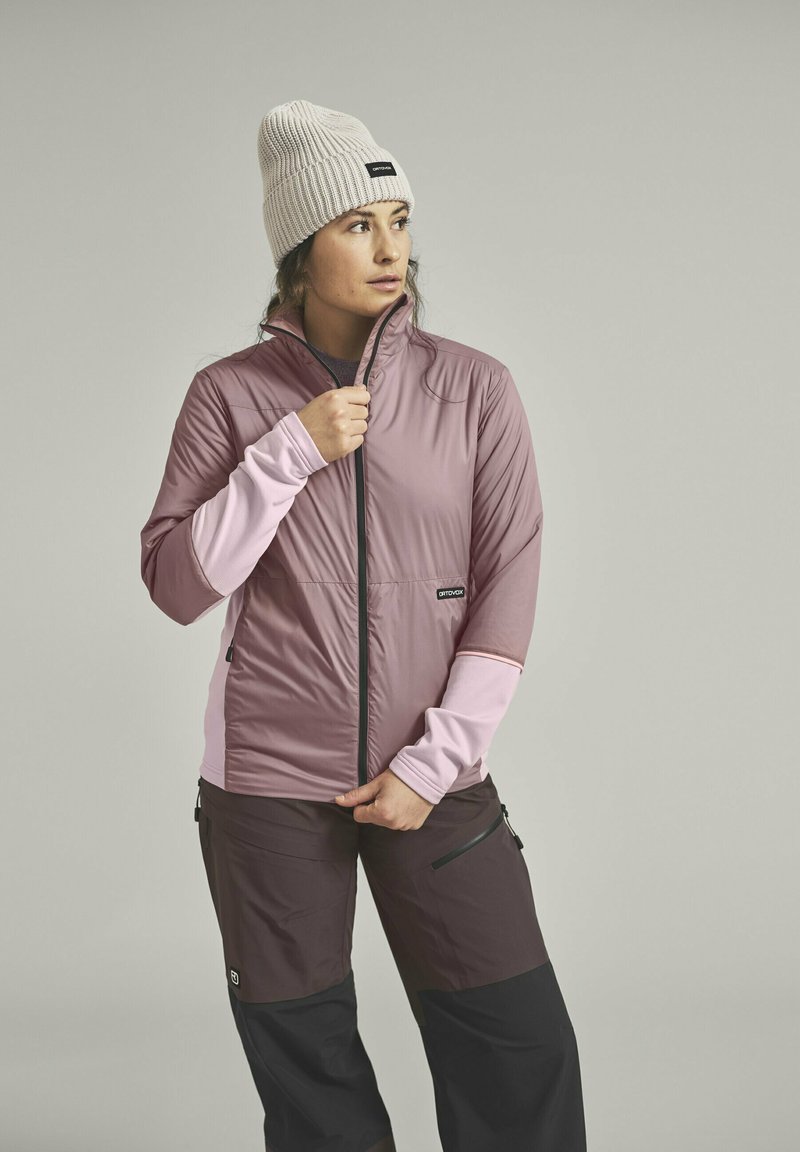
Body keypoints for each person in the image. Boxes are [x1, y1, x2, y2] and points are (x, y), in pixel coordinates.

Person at [140, 98, 587, 1152]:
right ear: (300, 252)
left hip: (433, 774)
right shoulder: (228, 396)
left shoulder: (473, 389)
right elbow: (177, 584)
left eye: (398, 221)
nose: (390, 248)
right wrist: (288, 452)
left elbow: (505, 591)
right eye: (357, 225)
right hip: (266, 783)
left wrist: (433, 765)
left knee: (515, 1045)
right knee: (309, 1072)